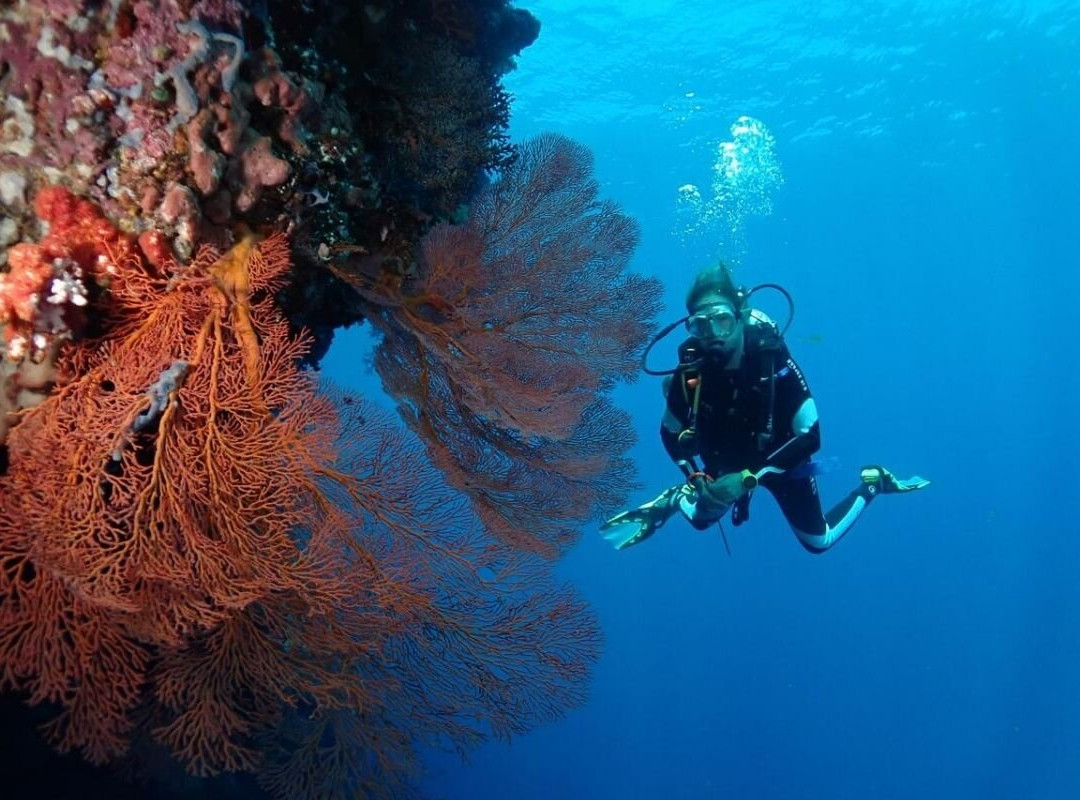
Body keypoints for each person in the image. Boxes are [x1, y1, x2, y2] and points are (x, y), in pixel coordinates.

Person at [601, 263, 929, 552]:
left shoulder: (771, 358)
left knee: (819, 542)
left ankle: (874, 482)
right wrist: (696, 477)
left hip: (781, 460)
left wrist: (747, 478)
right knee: (701, 520)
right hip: (724, 459)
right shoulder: (691, 368)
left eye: (722, 320)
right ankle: (676, 498)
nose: (713, 334)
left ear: (739, 317)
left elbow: (811, 435)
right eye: (700, 325)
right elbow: (669, 433)